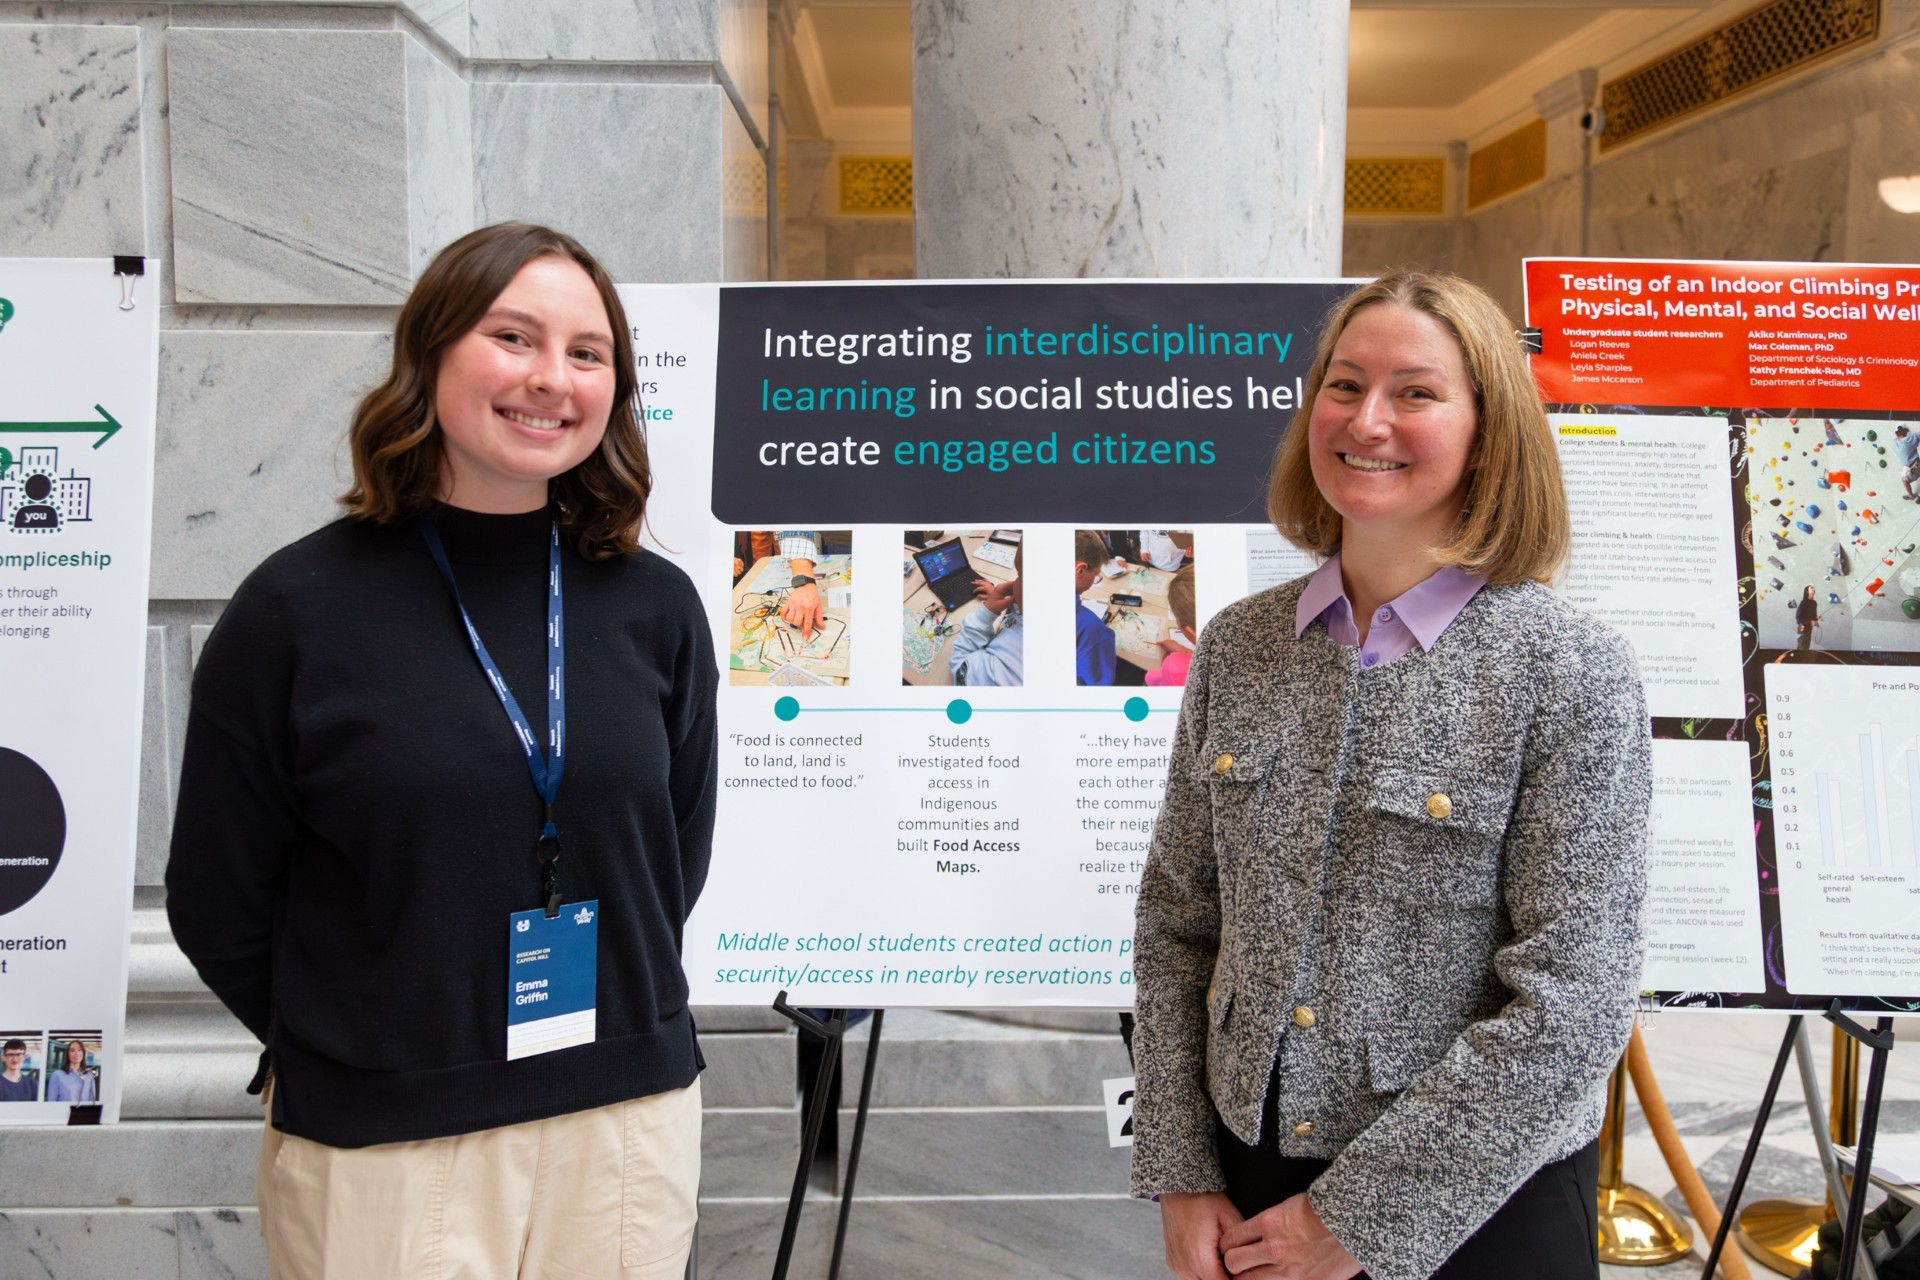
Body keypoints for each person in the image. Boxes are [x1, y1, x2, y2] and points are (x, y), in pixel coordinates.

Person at [166, 223, 718, 1278]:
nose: (552, 378)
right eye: (514, 337)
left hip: (624, 1125)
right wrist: (370, 1037)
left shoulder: (657, 606)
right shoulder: (296, 609)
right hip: (386, 1137)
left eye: (588, 352)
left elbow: (669, 860)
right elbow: (217, 899)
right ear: (430, 354)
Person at [1131, 271, 1650, 1280]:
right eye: (1344, 383)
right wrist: (1181, 1165)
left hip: (1483, 1206)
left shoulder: (1569, 668)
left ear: (1488, 428)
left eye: (1416, 391)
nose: (1367, 420)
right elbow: (1176, 923)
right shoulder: (1241, 645)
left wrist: (1360, 1216)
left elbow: (1577, 994)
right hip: (1248, 1183)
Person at [950, 539, 1023, 686]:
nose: (1013, 583)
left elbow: (960, 670)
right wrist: (1013, 601)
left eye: (1020, 575)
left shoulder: (1006, 672)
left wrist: (985, 615)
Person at [1075, 530, 1119, 686]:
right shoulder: (1091, 629)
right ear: (1080, 570)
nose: (1095, 579)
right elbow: (1101, 682)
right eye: (1096, 575)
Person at [1145, 564, 1197, 689]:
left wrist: (1167, 660)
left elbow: (1150, 679)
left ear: (1190, 632)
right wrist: (1183, 650)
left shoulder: (1175, 667)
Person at [46, 1038, 97, 1103]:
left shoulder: (90, 1076)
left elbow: (92, 1103)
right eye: (72, 1050)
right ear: (68, 1054)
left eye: (79, 1050)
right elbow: (51, 1102)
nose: (76, 1053)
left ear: (83, 1053)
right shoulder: (57, 1075)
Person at [1797, 584, 1820, 651]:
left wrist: (1816, 619)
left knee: (1805, 649)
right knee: (1802, 649)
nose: (1814, 589)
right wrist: (1810, 622)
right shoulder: (1803, 602)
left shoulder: (1814, 603)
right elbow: (1799, 618)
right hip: (1802, 628)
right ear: (1807, 591)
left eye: (1814, 588)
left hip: (1809, 630)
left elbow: (1812, 618)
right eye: (1811, 588)